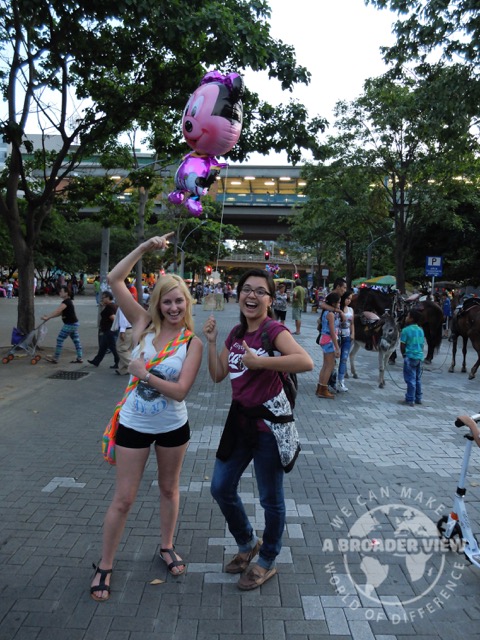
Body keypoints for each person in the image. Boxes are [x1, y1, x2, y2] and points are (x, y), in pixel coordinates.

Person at [90, 234, 203, 602]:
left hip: (173, 426)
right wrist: (144, 248)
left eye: (178, 301)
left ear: (187, 304)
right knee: (123, 498)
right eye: (167, 301)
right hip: (134, 425)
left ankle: (166, 546)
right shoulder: (142, 323)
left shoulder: (192, 343)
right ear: (158, 303)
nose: (173, 307)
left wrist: (144, 375)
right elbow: (114, 279)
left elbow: (182, 390)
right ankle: (105, 564)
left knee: (169, 489)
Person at [203, 268, 313, 590]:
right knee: (220, 487)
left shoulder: (273, 330)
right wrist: (211, 342)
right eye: (246, 289)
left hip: (268, 427)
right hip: (239, 424)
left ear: (270, 298)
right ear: (238, 295)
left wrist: (261, 362)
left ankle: (267, 559)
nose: (252, 295)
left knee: (271, 500)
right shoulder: (236, 334)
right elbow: (218, 374)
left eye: (260, 291)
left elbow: (305, 361)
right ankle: (248, 541)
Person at [41, 285, 83, 363]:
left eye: (61, 291)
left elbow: (57, 311)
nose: (59, 292)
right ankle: (79, 358)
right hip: (74, 324)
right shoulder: (68, 301)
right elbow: (59, 313)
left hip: (70, 324)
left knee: (60, 339)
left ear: (66, 293)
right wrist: (49, 317)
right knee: (76, 341)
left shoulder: (66, 302)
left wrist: (48, 317)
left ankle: (55, 358)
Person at [320, 278, 347, 391]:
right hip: (329, 337)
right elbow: (321, 304)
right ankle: (324, 387)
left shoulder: (336, 303)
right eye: (344, 287)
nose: (345, 290)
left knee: (328, 364)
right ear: (338, 287)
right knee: (329, 364)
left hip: (330, 335)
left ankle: (323, 385)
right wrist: (338, 311)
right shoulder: (329, 298)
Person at [316, 292, 341, 399]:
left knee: (325, 365)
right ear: (334, 303)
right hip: (329, 340)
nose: (339, 304)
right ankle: (323, 389)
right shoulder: (330, 314)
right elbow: (332, 331)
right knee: (330, 366)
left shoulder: (325, 313)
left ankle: (320, 387)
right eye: (338, 303)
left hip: (324, 339)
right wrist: (337, 347)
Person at [87, 291, 119, 369]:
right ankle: (96, 361)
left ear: (108, 297)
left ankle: (118, 361)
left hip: (109, 330)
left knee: (112, 347)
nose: (102, 299)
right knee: (103, 347)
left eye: (104, 297)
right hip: (108, 330)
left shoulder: (110, 307)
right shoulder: (113, 305)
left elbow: (113, 318)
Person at [400, 308, 425, 407]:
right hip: (419, 357)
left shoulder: (405, 330)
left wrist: (404, 355)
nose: (406, 318)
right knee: (417, 378)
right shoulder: (421, 330)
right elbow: (422, 345)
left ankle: (410, 399)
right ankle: (418, 398)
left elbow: (402, 345)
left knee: (410, 379)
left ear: (411, 319)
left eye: (408, 316)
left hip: (410, 357)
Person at [337, 290, 355, 392]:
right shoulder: (337, 309)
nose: (349, 301)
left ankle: (341, 381)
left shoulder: (351, 310)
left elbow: (352, 323)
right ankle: (333, 380)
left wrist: (353, 334)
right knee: (335, 359)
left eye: (350, 299)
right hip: (338, 336)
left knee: (344, 359)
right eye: (347, 298)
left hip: (347, 337)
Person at [115, 306, 134, 376]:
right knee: (127, 349)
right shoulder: (131, 304)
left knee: (121, 349)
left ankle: (133, 365)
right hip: (131, 328)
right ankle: (123, 369)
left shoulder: (123, 306)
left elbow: (123, 319)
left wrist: (122, 331)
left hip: (126, 330)